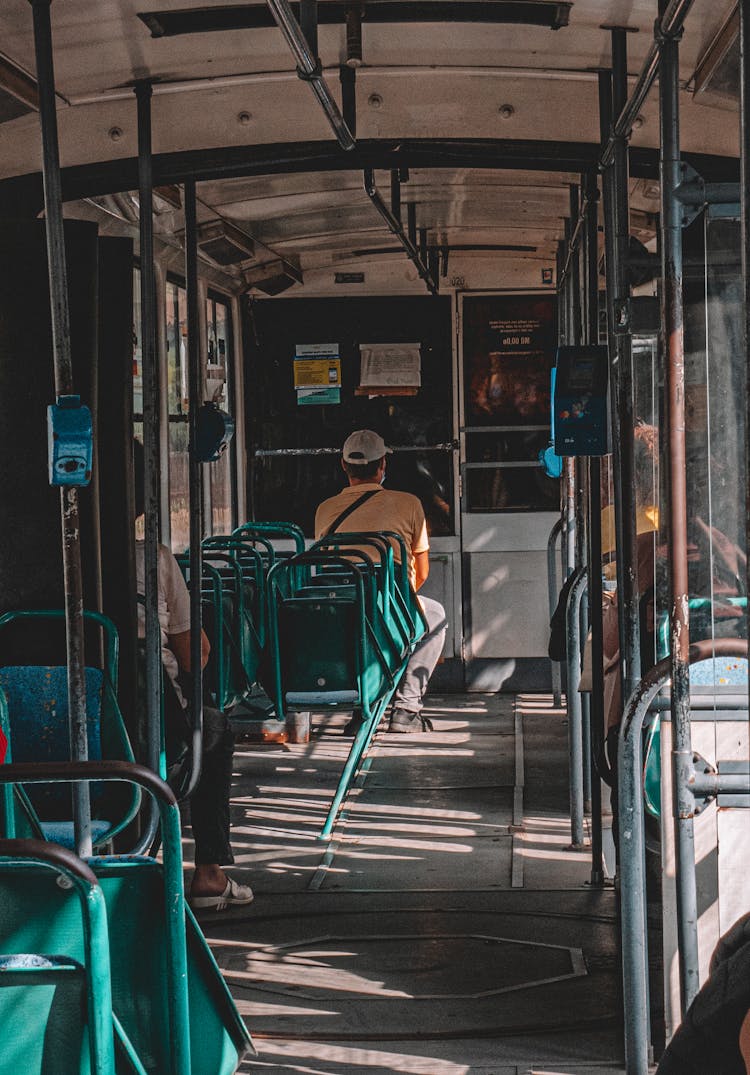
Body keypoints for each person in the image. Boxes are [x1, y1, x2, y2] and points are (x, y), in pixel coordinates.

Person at [134, 440, 252, 911]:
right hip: (150, 714)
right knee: (215, 729)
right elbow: (194, 655)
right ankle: (207, 871)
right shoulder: (157, 560)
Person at [314, 429, 448, 733]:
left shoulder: (324, 509)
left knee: (358, 634)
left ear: (344, 466)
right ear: (383, 465)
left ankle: (365, 704)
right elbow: (422, 571)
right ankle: (407, 708)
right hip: (386, 603)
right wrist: (391, 604)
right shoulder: (409, 504)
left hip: (340, 609)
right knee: (435, 617)